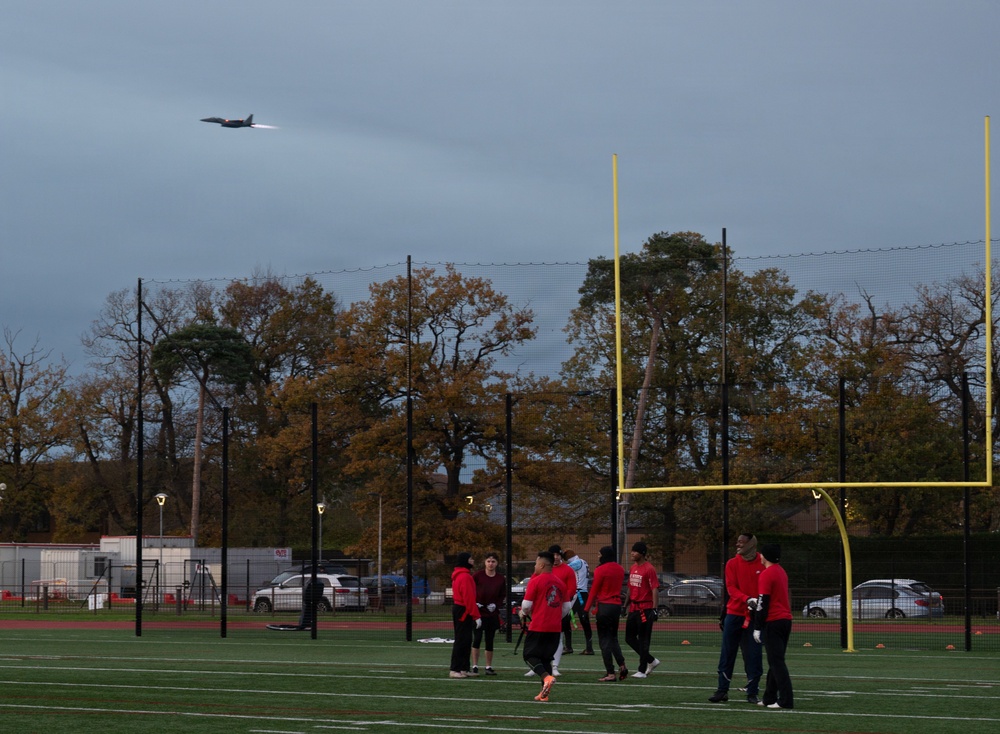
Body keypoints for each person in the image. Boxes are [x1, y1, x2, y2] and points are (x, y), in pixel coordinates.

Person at [709, 533, 765, 704]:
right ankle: (722, 690)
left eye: (742, 542)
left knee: (754, 654)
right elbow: (731, 588)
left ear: (751, 544)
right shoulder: (732, 563)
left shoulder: (762, 562)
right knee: (727, 652)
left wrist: (758, 603)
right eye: (738, 541)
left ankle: (752, 691)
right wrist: (746, 599)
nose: (738, 544)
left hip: (755, 616)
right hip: (734, 614)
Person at [520, 550, 572, 702]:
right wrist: (555, 617)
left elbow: (526, 605)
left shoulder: (535, 581)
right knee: (546, 659)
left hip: (538, 626)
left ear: (542, 564)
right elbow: (567, 607)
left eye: (536, 563)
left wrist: (523, 612)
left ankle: (546, 677)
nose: (535, 566)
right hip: (555, 628)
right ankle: (544, 694)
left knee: (529, 656)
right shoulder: (561, 583)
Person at [753, 543, 794, 709]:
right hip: (785, 620)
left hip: (774, 621)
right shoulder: (781, 571)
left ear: (765, 556)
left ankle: (786, 699)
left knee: (776, 662)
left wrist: (757, 626)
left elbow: (763, 601)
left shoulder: (766, 574)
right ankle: (769, 697)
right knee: (775, 660)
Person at [583, 545, 627, 681]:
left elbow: (595, 590)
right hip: (616, 606)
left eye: (599, 554)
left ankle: (610, 672)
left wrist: (586, 609)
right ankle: (622, 665)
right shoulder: (620, 569)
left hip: (605, 606)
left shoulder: (600, 570)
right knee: (613, 638)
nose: (598, 556)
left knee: (604, 641)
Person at [623, 541, 660, 678]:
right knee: (629, 638)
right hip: (634, 608)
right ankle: (651, 660)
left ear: (642, 553)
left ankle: (642, 669)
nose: (632, 553)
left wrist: (655, 609)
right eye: (632, 551)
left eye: (635, 551)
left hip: (645, 608)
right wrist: (625, 605)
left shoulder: (649, 569)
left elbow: (654, 589)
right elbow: (630, 587)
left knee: (644, 639)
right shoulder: (633, 568)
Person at [471, 551, 506, 676]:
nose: (491, 564)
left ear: (497, 563)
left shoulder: (500, 579)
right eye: (488, 561)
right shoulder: (477, 576)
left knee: (489, 640)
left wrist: (496, 604)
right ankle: (474, 665)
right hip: (479, 613)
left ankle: (488, 666)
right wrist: (475, 602)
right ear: (485, 562)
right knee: (477, 638)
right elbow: (470, 589)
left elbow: (502, 595)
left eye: (493, 561)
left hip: (491, 613)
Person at [449, 552, 481, 678]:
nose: (472, 560)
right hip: (463, 610)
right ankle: (455, 669)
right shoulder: (465, 577)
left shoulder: (461, 576)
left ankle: (463, 668)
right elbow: (468, 598)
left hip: (461, 609)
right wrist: (476, 615)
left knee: (466, 639)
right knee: (462, 640)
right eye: (470, 559)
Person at [548, 544, 578, 675]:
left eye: (558, 555)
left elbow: (572, 589)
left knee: (558, 637)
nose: (555, 557)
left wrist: (562, 601)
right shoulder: (544, 569)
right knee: (541, 637)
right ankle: (537, 665)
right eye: (553, 555)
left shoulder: (568, 570)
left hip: (559, 608)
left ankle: (554, 666)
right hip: (544, 608)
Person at [563, 549, 595, 655]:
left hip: (578, 594)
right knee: (584, 620)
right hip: (584, 593)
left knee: (566, 618)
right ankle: (589, 648)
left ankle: (568, 646)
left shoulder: (576, 563)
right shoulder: (583, 561)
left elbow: (564, 570)